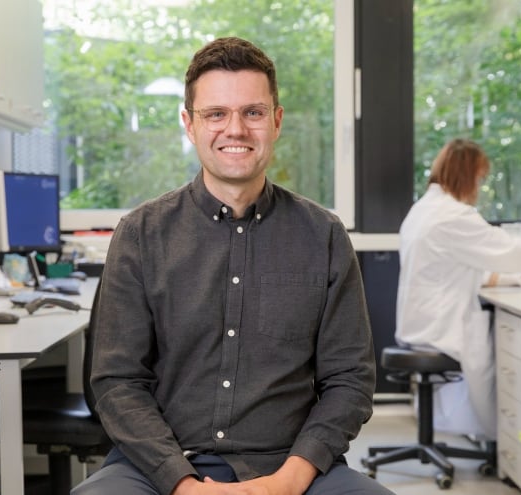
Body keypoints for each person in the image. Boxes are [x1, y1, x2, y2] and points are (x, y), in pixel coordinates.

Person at [72, 37, 394, 495]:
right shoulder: (141, 234)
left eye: (253, 112)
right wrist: (183, 484)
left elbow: (350, 379)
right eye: (216, 114)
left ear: (276, 121)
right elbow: (117, 381)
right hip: (158, 464)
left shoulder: (323, 235)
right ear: (189, 124)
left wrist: (286, 481)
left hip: (289, 463)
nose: (235, 129)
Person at [395, 138, 521, 440]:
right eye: (479, 177)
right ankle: (504, 439)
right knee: (499, 362)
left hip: (417, 324)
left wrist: (512, 279)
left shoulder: (423, 209)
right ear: (466, 175)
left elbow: (458, 268)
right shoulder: (454, 215)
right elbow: (510, 253)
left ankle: (498, 440)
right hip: (441, 328)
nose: (479, 186)